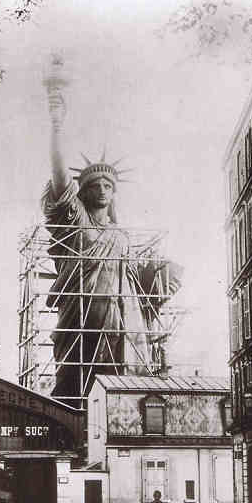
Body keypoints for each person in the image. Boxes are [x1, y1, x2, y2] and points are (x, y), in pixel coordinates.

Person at [42, 57, 182, 401]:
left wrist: (163, 276)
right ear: (83, 192)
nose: (102, 189)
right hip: (85, 313)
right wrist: (57, 122)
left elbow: (139, 282)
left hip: (122, 315)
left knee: (125, 382)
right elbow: (60, 178)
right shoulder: (78, 221)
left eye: (108, 185)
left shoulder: (121, 236)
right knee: (78, 379)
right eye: (95, 185)